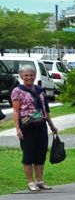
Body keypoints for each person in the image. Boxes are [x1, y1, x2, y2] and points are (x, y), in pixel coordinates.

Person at [9, 64, 59, 192]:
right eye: (26, 75)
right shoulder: (17, 91)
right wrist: (17, 127)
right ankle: (30, 182)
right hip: (26, 126)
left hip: (41, 125)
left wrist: (51, 125)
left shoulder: (40, 90)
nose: (29, 77)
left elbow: (45, 110)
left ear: (35, 76)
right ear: (21, 76)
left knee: (40, 153)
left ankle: (40, 180)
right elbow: (16, 111)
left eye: (31, 75)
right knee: (28, 154)